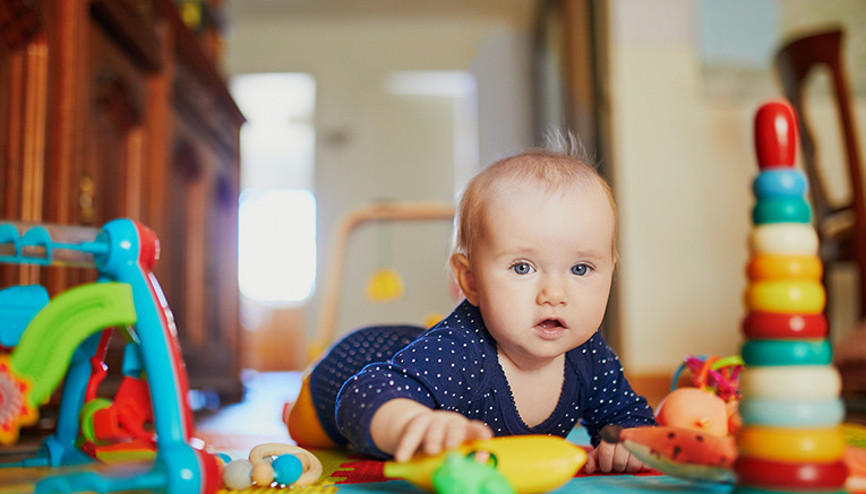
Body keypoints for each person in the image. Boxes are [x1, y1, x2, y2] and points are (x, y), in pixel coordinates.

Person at [288, 135, 656, 473]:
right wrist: (412, 423)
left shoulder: (589, 355)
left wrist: (626, 442)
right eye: (523, 267)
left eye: (580, 268)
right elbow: (361, 393)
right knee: (305, 429)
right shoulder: (462, 351)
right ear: (470, 280)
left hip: (416, 354)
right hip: (347, 369)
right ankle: (293, 406)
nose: (554, 294)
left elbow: (625, 412)